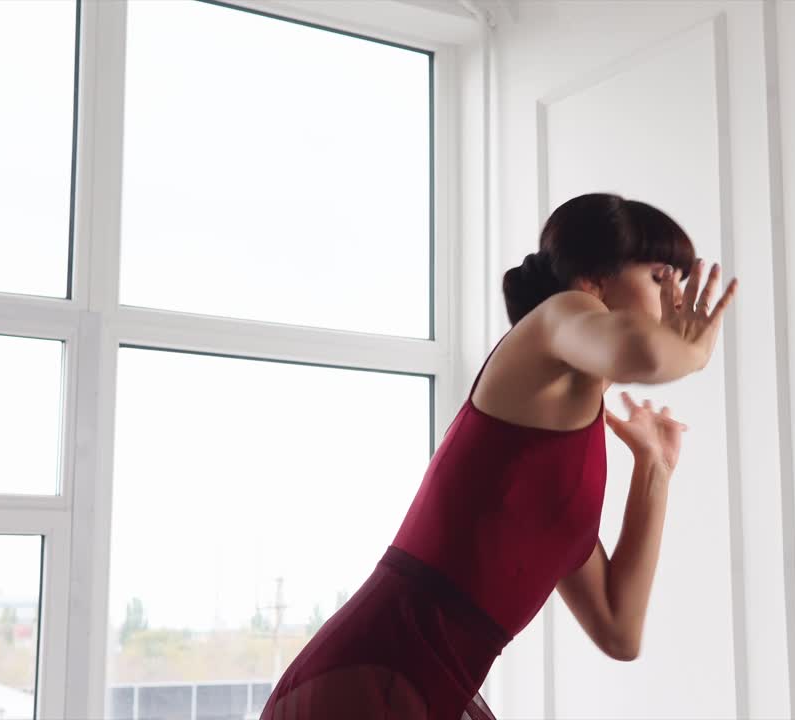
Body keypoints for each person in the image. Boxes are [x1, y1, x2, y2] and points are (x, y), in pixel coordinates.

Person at [260, 192, 738, 719]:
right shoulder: (555, 322)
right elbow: (643, 351)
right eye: (660, 277)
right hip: (369, 678)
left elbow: (619, 628)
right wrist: (692, 349)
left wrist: (655, 467)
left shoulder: (569, 466)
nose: (677, 300)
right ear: (593, 283)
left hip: (426, 689)